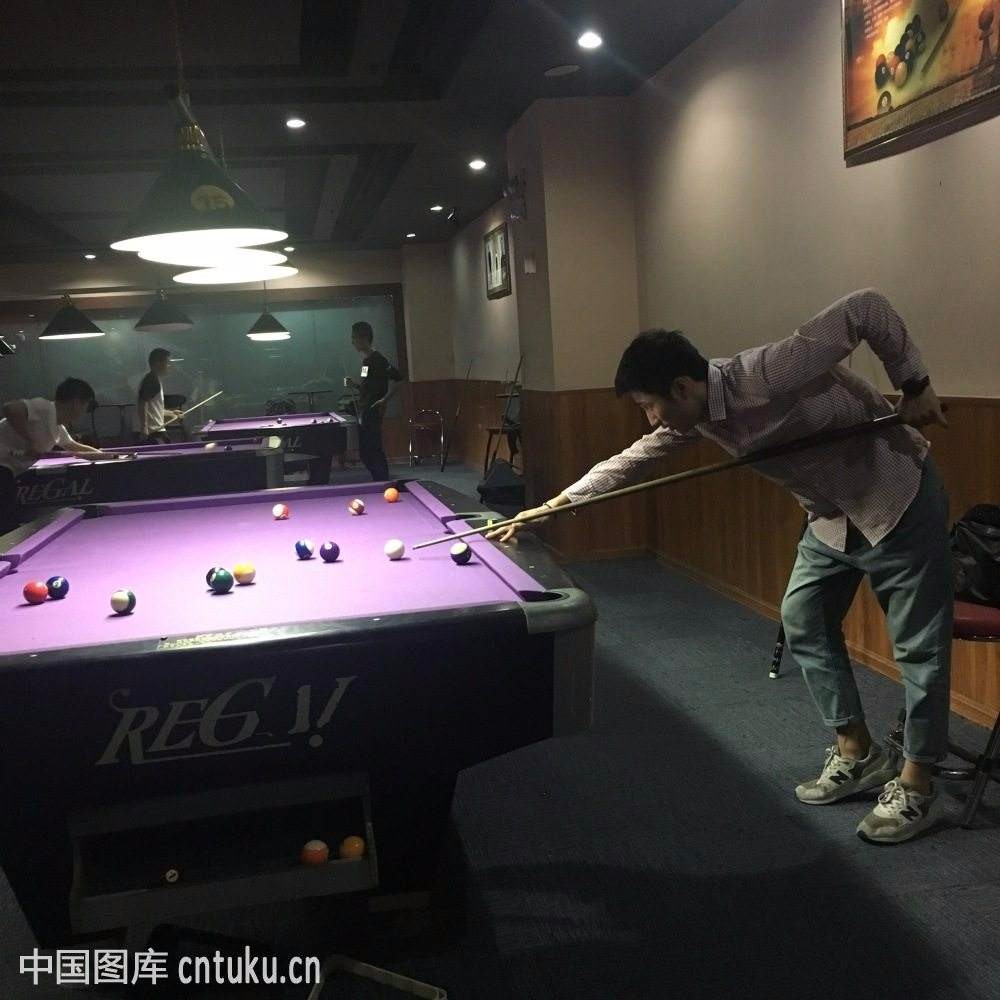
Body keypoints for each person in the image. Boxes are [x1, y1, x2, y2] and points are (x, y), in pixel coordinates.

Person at [491, 289, 952, 845]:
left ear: (681, 388)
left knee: (919, 649)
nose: (650, 418)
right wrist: (554, 505)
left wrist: (915, 385)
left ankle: (918, 784)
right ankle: (858, 752)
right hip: (831, 517)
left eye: (649, 405)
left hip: (896, 498)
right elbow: (630, 461)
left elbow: (867, 309)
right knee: (804, 620)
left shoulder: (767, 371)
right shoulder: (696, 418)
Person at [0, 378, 123, 536]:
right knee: (7, 521)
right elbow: (10, 408)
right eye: (86, 404)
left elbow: (74, 447)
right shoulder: (44, 407)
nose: (85, 411)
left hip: (7, 470)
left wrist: (109, 456)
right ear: (76, 403)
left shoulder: (58, 428)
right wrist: (31, 442)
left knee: (8, 519)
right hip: (2, 468)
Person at [346, 321, 402, 481]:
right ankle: (380, 480)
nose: (352, 342)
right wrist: (353, 385)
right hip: (365, 411)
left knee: (372, 450)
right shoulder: (366, 361)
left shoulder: (378, 359)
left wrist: (385, 400)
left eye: (354, 338)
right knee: (366, 452)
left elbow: (399, 379)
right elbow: (365, 386)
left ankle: (382, 481)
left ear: (364, 338)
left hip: (373, 411)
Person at [136, 347, 182, 444]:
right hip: (152, 431)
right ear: (158, 363)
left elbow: (152, 409)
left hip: (154, 430)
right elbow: (142, 402)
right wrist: (144, 427)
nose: (169, 366)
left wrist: (172, 413)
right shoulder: (151, 380)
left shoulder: (153, 378)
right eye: (167, 362)